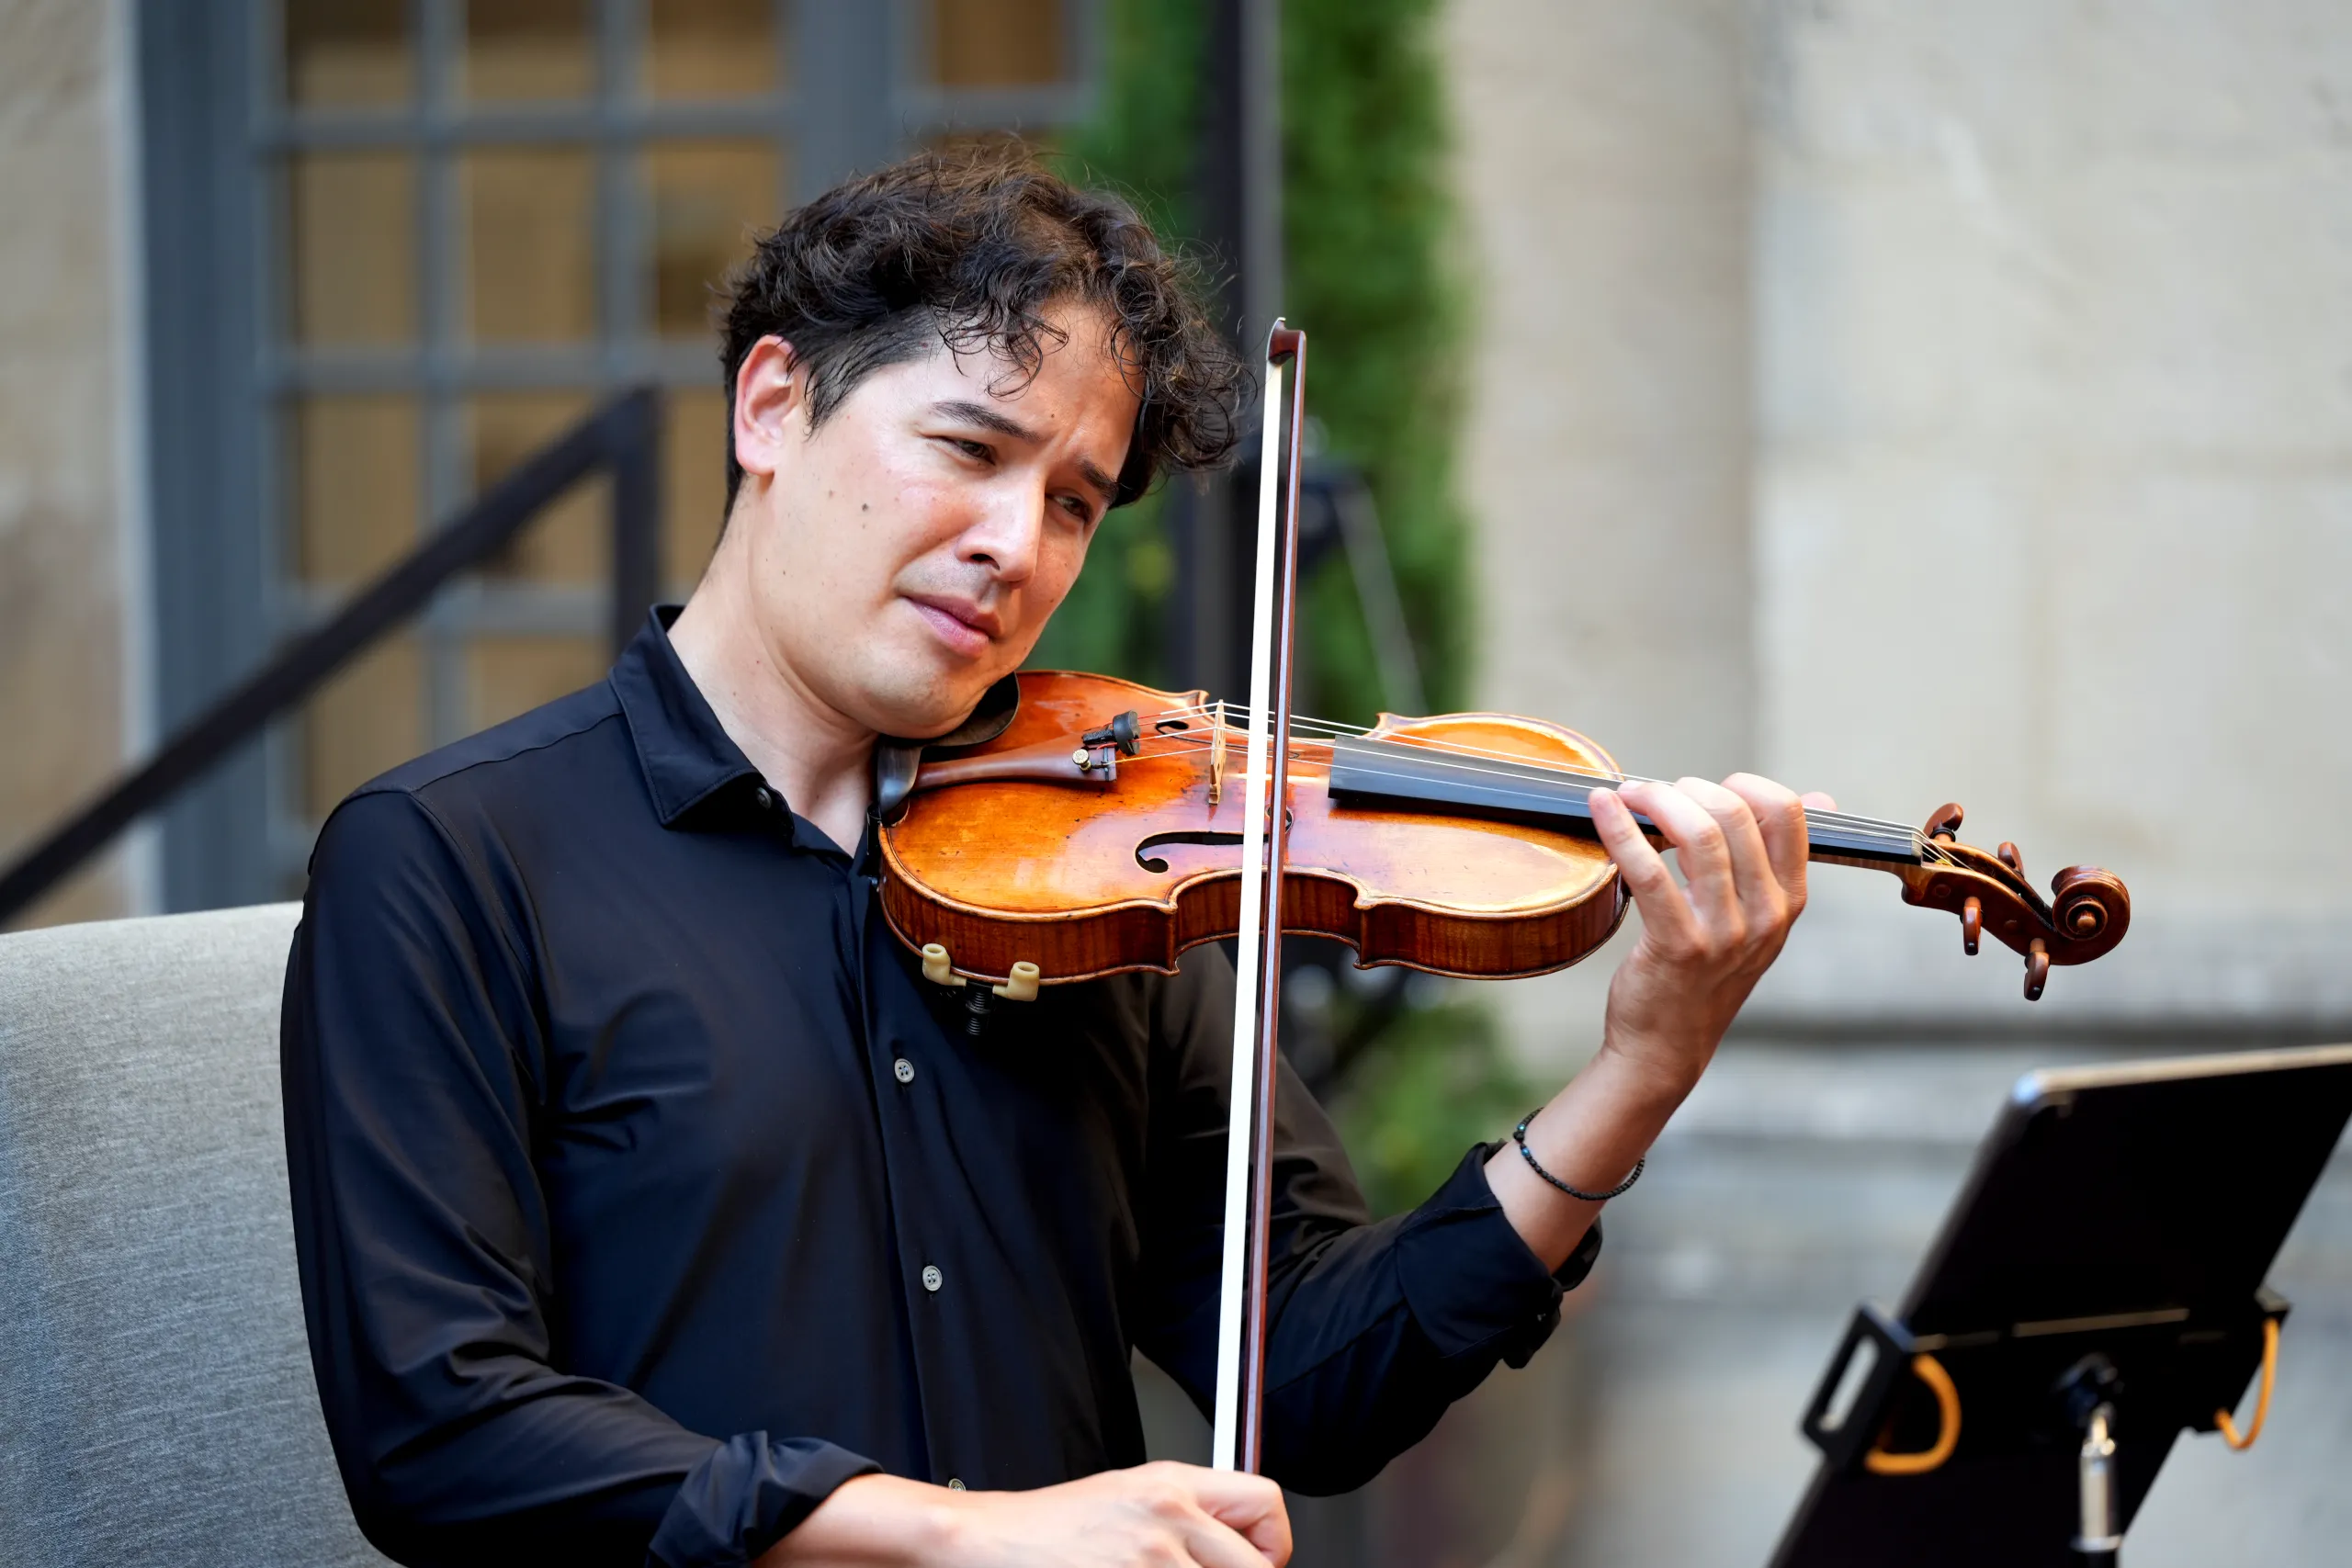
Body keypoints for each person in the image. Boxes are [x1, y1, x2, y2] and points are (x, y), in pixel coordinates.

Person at [282, 144, 1833, 1568]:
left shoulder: (1097, 871)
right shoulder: (449, 865)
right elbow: (443, 1428)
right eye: (969, 447)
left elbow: (1309, 1379)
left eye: (1073, 503)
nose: (1016, 548)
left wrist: (1642, 1069)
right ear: (770, 408)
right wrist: (954, 1535)